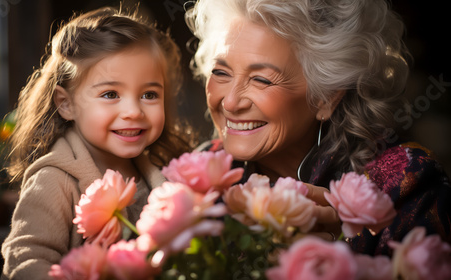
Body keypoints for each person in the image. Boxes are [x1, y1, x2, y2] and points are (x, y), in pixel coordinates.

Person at [186, 0, 451, 256]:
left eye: (261, 80)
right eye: (221, 72)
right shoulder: (198, 175)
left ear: (326, 97)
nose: (230, 102)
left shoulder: (404, 181)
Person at [1, 7, 192, 279]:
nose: (134, 111)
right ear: (66, 104)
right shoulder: (54, 181)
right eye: (111, 93)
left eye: (149, 94)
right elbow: (25, 260)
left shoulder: (163, 173)